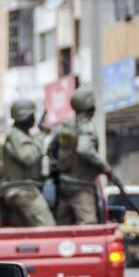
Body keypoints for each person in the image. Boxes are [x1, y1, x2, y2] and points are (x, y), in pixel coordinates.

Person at [50, 86, 110, 225]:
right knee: (89, 226)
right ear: (91, 108)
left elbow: (51, 149)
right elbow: (84, 149)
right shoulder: (87, 127)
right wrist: (104, 167)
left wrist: (61, 166)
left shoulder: (66, 126)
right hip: (82, 187)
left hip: (64, 186)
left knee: (63, 227)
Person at [2, 100, 55, 227]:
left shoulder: (21, 135)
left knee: (24, 231)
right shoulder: (17, 136)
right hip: (23, 191)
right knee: (48, 228)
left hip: (21, 189)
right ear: (24, 116)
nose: (34, 119)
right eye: (32, 116)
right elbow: (28, 157)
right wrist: (41, 138)